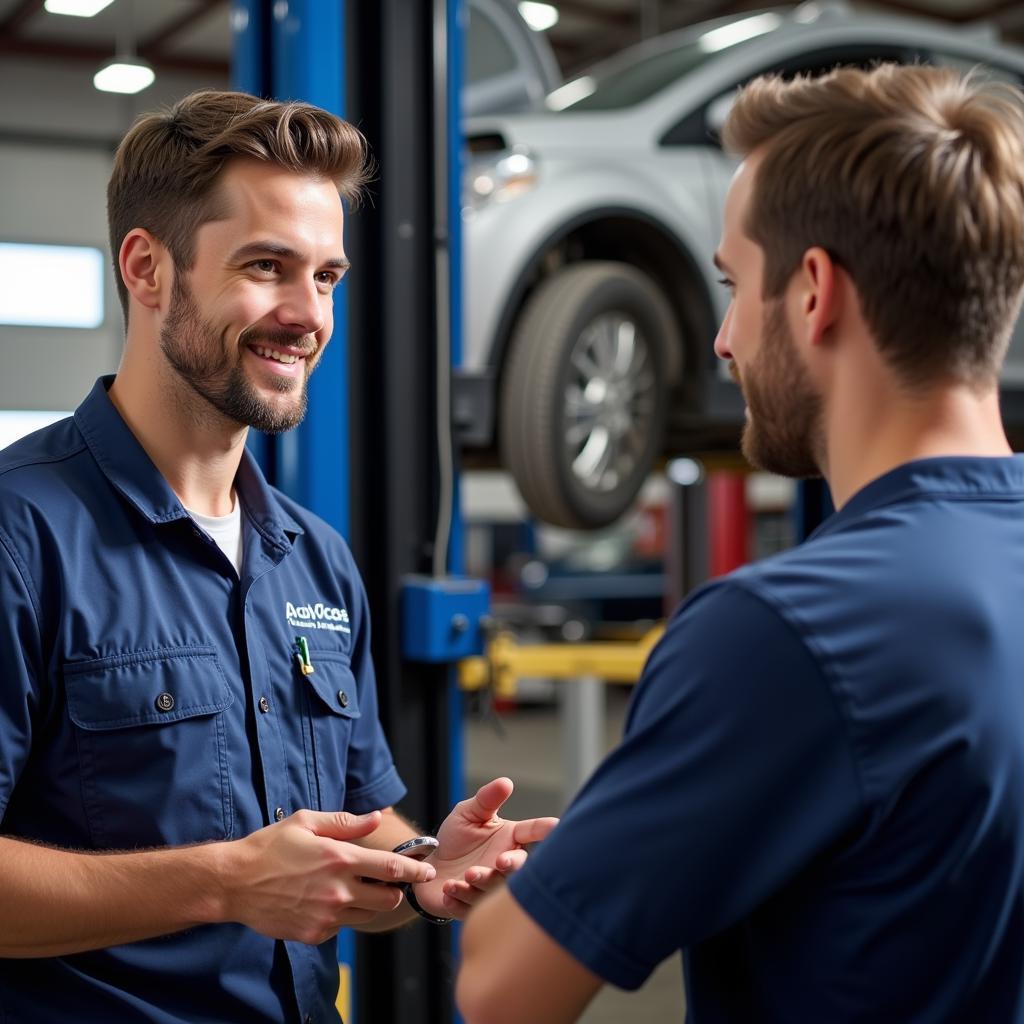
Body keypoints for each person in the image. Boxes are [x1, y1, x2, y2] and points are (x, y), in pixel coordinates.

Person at [456, 62, 1024, 1023]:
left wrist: (565, 866)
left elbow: (501, 987)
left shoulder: (785, 632)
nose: (721, 341)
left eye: (732, 285)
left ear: (813, 293)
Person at [0, 90, 556, 1023]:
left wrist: (423, 866)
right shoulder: (23, 535)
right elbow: (258, 878)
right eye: (268, 266)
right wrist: (225, 885)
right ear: (148, 269)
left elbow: (347, 823)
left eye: (327, 277)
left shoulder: (314, 560)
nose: (308, 316)